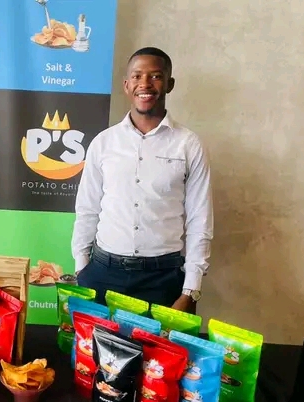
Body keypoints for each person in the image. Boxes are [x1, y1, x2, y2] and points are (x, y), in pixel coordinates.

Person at [71, 47, 213, 314]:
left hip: (163, 280)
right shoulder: (104, 142)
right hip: (103, 275)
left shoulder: (188, 145)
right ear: (126, 85)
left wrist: (190, 290)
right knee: (97, 344)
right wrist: (82, 269)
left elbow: (200, 220)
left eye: (155, 76)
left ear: (169, 84)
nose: (145, 84)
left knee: (161, 345)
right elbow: (87, 209)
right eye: (137, 76)